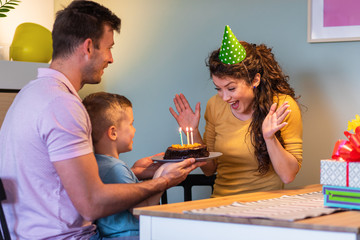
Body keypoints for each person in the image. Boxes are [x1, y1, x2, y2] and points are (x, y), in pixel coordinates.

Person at [0, 1, 203, 239]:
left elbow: (61, 182)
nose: (111, 58)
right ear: (88, 47)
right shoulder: (62, 105)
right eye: (109, 48)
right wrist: (163, 181)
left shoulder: (30, 93)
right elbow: (91, 203)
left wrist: (133, 172)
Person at [170, 25, 303, 197]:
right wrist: (193, 133)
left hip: (265, 208)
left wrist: (269, 138)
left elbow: (288, 175)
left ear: (255, 80)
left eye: (231, 88)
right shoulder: (215, 105)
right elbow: (209, 170)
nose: (224, 97)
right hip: (220, 204)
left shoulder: (282, 106)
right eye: (218, 88)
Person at [83, 92, 167, 238]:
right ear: (113, 132)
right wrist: (164, 176)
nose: (134, 130)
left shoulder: (94, 164)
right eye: (131, 124)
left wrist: (134, 172)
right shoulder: (116, 169)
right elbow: (143, 212)